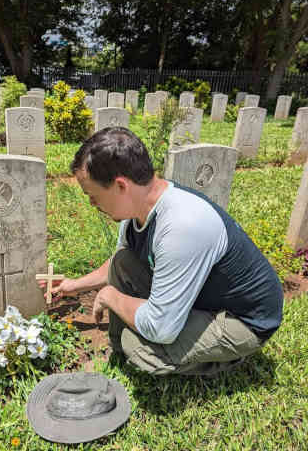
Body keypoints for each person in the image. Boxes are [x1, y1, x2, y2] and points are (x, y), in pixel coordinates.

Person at [38, 127, 283, 376]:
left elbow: (160, 328)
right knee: (124, 262)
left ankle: (230, 358)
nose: (92, 203)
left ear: (121, 185)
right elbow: (118, 262)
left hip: (241, 320)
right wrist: (75, 285)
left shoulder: (181, 226)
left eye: (92, 195)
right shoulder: (138, 206)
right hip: (204, 298)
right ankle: (131, 338)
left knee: (140, 349)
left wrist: (110, 296)